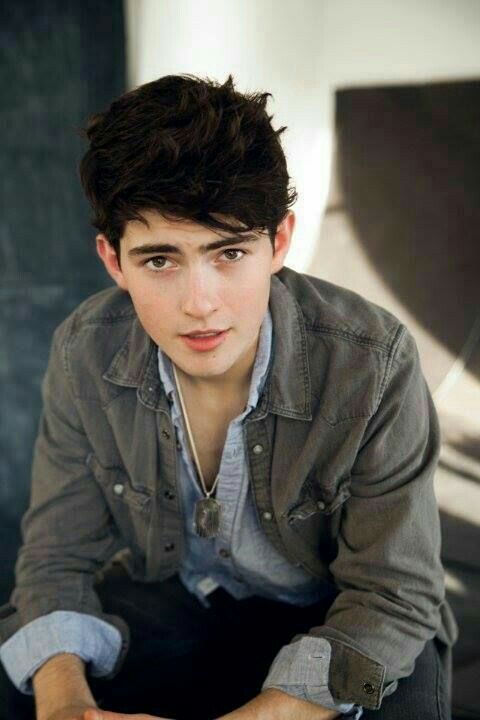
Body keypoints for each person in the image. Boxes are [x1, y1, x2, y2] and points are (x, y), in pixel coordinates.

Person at [0, 73, 458, 720]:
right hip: (182, 596)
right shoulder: (86, 352)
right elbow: (55, 558)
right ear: (113, 260)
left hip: (340, 610)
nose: (200, 303)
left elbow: (394, 594)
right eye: (160, 260)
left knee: (401, 687)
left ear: (279, 241)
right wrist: (68, 709)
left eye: (229, 252)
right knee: (22, 671)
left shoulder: (371, 360)